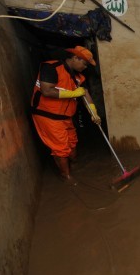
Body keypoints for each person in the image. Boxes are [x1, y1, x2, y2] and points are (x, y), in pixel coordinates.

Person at [31, 46, 101, 181]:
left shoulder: (78, 77)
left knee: (72, 142)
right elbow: (46, 90)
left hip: (66, 116)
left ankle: (74, 165)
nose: (85, 67)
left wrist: (94, 113)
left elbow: (86, 94)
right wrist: (74, 93)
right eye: (84, 63)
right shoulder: (51, 67)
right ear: (75, 57)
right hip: (48, 116)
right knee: (61, 148)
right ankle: (67, 177)